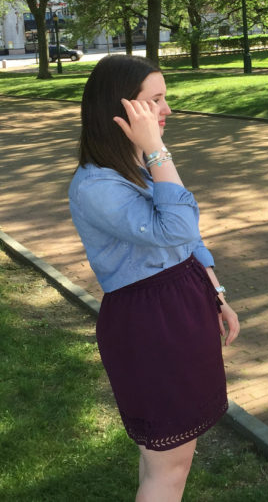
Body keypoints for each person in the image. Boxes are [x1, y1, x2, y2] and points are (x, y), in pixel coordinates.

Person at [68, 54, 240, 501]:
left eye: (165, 98)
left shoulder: (136, 164)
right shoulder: (97, 185)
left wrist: (216, 292)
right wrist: (159, 151)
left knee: (167, 458)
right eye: (155, 101)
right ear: (121, 109)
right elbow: (177, 226)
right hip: (152, 325)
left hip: (181, 306)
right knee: (170, 464)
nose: (167, 111)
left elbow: (186, 240)